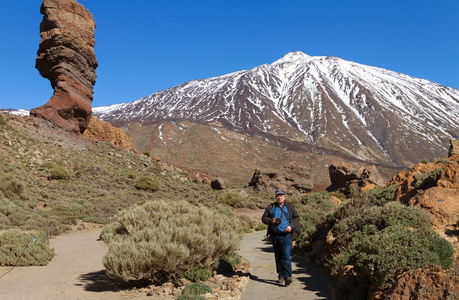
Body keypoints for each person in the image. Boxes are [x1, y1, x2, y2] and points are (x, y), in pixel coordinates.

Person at [262, 188, 301, 286]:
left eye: (281, 195)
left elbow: (297, 218)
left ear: (284, 197)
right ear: (276, 197)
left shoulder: (289, 206)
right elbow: (264, 218)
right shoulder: (271, 206)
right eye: (278, 195)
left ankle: (288, 276)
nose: (279, 197)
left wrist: (290, 226)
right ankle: (281, 275)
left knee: (286, 255)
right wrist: (271, 221)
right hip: (275, 235)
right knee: (278, 256)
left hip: (287, 235)